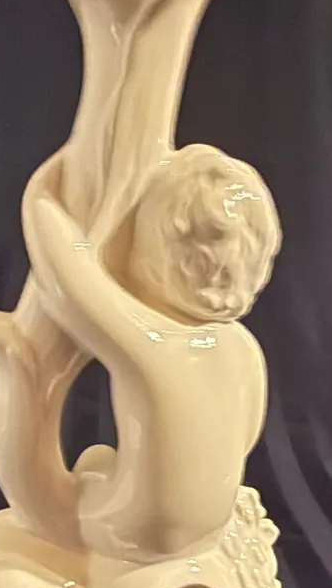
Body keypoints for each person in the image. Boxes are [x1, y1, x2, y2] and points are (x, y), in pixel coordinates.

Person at [24, 143, 281, 561]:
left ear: (161, 249)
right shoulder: (243, 349)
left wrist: (43, 196)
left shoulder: (157, 341)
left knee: (92, 464)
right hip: (209, 527)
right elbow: (241, 442)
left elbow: (68, 279)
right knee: (102, 463)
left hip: (137, 534)